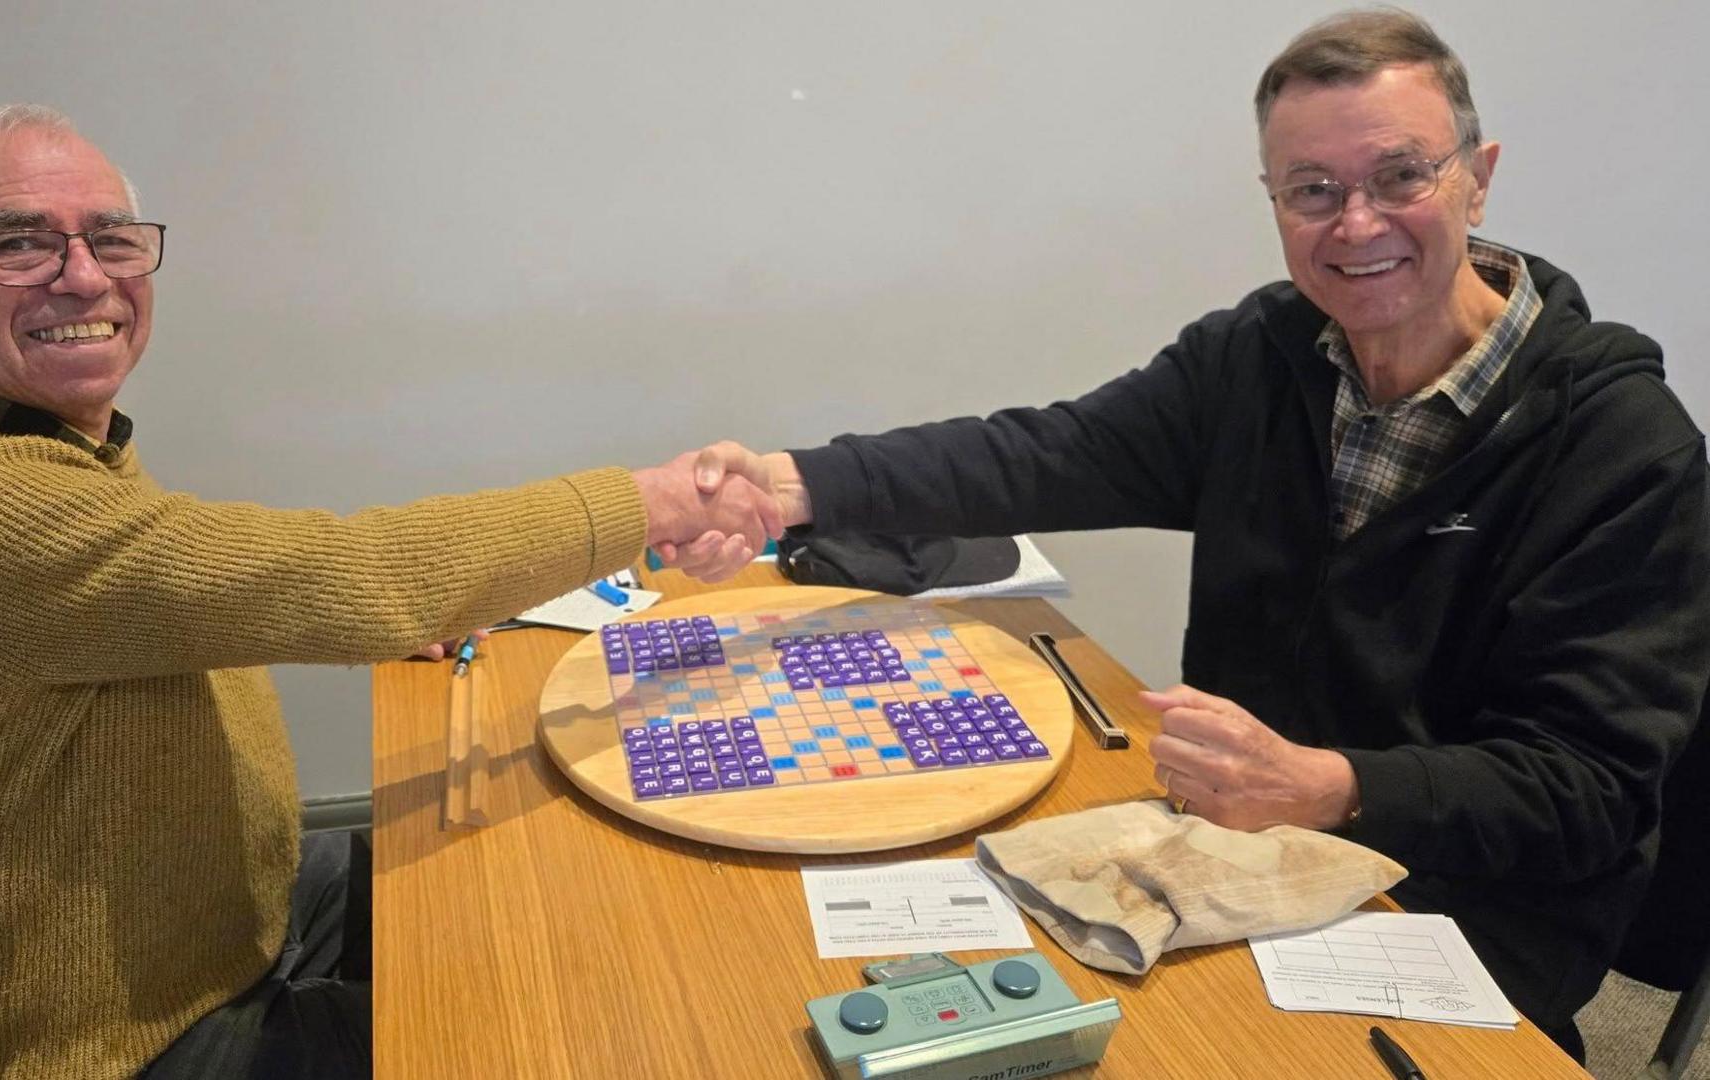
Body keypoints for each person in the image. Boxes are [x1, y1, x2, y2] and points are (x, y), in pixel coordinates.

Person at [681, 9, 1709, 1059]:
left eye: (1401, 175)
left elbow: (1592, 791)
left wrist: (1332, 786)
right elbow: (1038, 454)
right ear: (1274, 201)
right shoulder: (1260, 357)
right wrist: (793, 485)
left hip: (1463, 913)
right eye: (1313, 190)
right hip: (1228, 848)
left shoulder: (1625, 447)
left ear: (1477, 177)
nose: (1356, 225)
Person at [0, 105, 775, 1080]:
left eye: (111, 238)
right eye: (17, 244)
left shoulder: (34, 430)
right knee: (567, 1026)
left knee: (542, 885)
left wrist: (390, 609)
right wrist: (649, 504)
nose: (85, 274)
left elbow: (196, 597)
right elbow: (329, 575)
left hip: (226, 919)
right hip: (96, 1044)